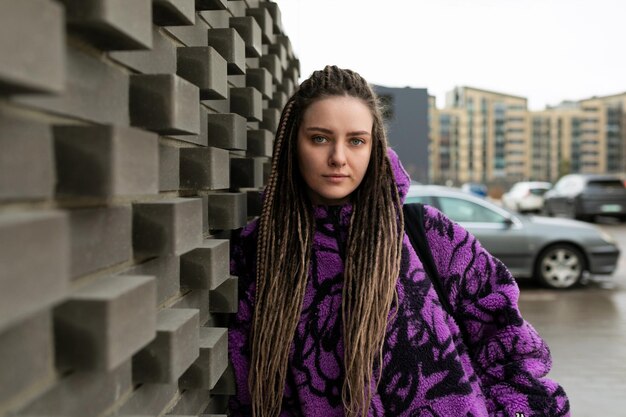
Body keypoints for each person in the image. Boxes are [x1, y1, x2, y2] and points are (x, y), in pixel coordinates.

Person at [228, 65, 570, 417]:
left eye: (356, 140)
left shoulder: (428, 234)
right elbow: (243, 385)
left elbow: (509, 344)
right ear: (292, 144)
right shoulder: (258, 251)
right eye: (320, 138)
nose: (339, 158)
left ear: (374, 147)